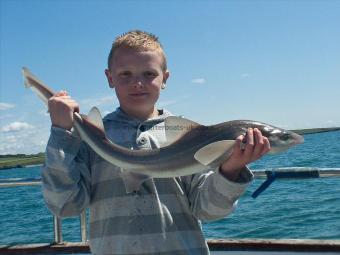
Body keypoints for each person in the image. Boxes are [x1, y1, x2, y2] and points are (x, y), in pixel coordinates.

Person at [43, 30, 270, 255]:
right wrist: (61, 132)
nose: (137, 83)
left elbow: (208, 210)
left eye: (149, 74)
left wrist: (230, 171)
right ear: (109, 78)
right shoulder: (92, 138)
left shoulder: (190, 135)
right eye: (125, 74)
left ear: (165, 78)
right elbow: (65, 205)